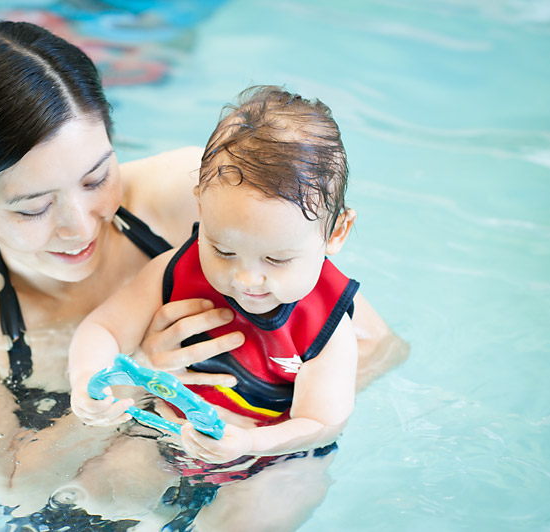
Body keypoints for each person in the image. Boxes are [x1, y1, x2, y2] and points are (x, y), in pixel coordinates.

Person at [0, 20, 407, 528]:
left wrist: (265, 434)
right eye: (33, 208)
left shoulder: (199, 199)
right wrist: (134, 376)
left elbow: (376, 347)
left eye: (96, 178)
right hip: (97, 490)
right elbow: (18, 486)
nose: (79, 228)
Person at [69, 86, 363, 527]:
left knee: (253, 516)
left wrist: (247, 446)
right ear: (201, 207)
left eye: (277, 259)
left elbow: (321, 422)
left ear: (336, 233)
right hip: (169, 431)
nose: (246, 279)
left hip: (274, 456)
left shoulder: (325, 326)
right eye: (223, 250)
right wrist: (87, 381)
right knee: (98, 492)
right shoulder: (176, 272)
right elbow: (103, 329)